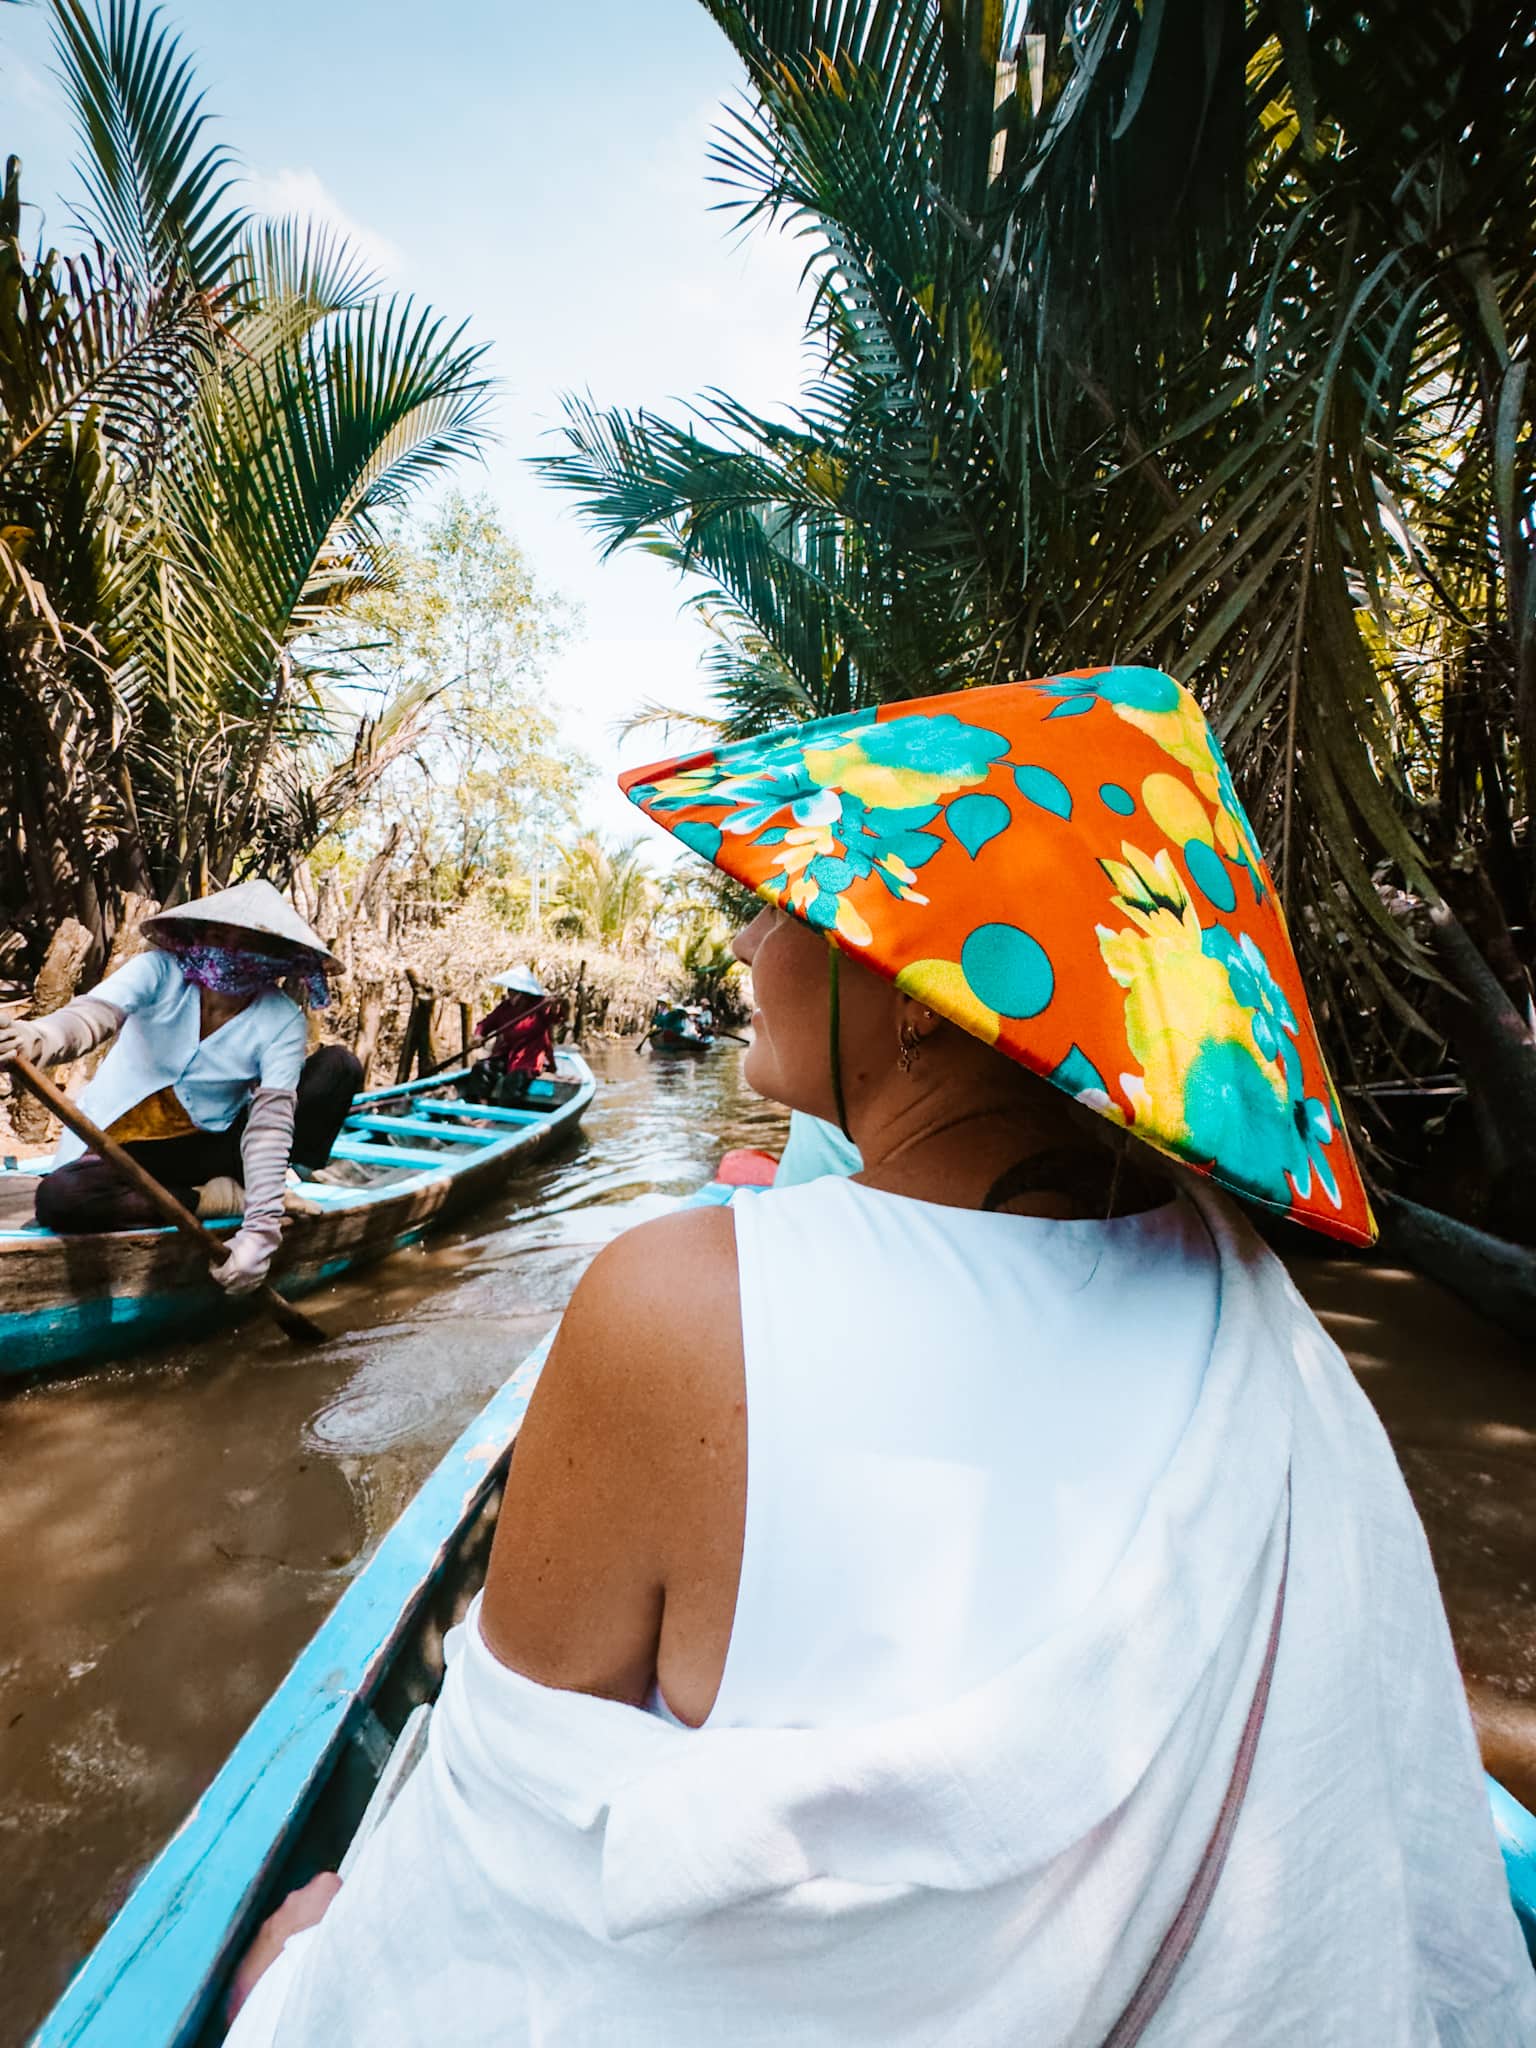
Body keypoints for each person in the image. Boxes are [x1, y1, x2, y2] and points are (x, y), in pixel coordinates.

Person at [226, 671, 1535, 2046]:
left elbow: (492, 1868)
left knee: (291, 1956)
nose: (741, 943)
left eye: (788, 906)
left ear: (919, 996)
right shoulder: (1261, 1316)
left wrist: (308, 1971)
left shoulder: (672, 1306)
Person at [0, 880, 360, 1295]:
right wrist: (35, 1036)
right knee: (60, 1198)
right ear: (196, 936)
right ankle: (218, 1199)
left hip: (211, 1144)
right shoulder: (157, 971)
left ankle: (269, 1189)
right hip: (120, 1143)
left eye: (247, 942)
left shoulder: (281, 1019)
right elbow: (89, 1018)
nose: (228, 951)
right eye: (217, 936)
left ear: (274, 956)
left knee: (339, 1066)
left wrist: (260, 1235)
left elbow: (269, 1125)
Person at [467, 967, 561, 1102]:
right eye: (509, 991)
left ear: (523, 994)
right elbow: (486, 1023)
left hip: (529, 1059)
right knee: (481, 1068)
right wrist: (478, 1035)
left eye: (513, 992)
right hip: (505, 1054)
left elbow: (555, 1017)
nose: (509, 994)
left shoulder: (540, 1006)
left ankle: (498, 1117)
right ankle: (480, 1105)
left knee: (513, 1080)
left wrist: (554, 1007)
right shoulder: (505, 1007)